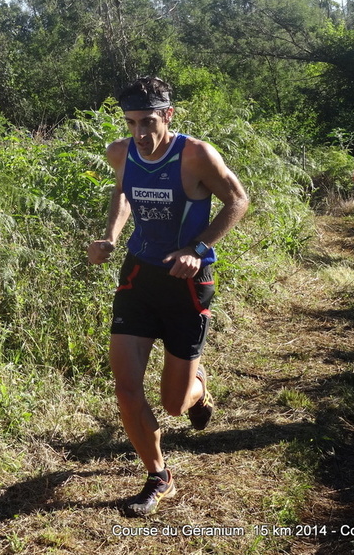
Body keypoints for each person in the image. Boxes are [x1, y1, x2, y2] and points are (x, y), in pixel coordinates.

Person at [87, 77, 249, 517]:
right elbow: (122, 192)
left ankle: (199, 388)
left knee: (174, 405)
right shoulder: (120, 152)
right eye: (131, 122)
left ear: (168, 115)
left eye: (148, 122)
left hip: (187, 283)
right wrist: (110, 237)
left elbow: (237, 200)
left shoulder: (195, 154)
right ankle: (159, 475)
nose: (140, 132)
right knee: (126, 388)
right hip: (139, 276)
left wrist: (197, 248)